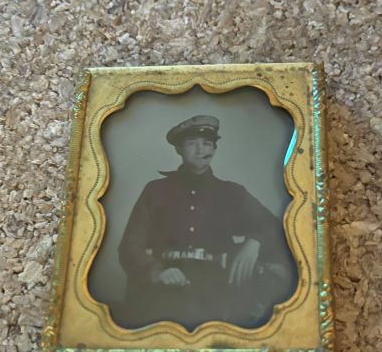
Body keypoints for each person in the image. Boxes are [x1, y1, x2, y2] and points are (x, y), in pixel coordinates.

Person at [118, 115, 296, 330]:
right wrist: (156, 271)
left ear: (214, 148)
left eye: (207, 143)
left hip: (219, 296)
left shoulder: (232, 193)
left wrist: (254, 243)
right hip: (164, 293)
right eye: (192, 144)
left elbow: (276, 227)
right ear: (179, 150)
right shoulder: (156, 191)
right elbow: (130, 246)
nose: (201, 150)